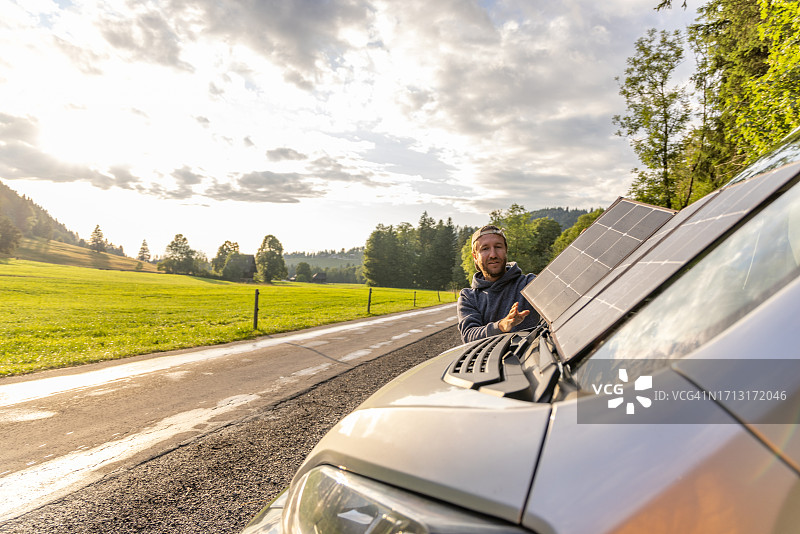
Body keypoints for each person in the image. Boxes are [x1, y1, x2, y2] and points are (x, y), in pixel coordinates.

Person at [457, 225, 540, 343]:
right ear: (475, 256)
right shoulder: (469, 297)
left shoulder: (529, 284)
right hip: (488, 361)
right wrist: (501, 326)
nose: (493, 254)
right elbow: (469, 335)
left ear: (506, 250)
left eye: (498, 247)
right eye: (485, 249)